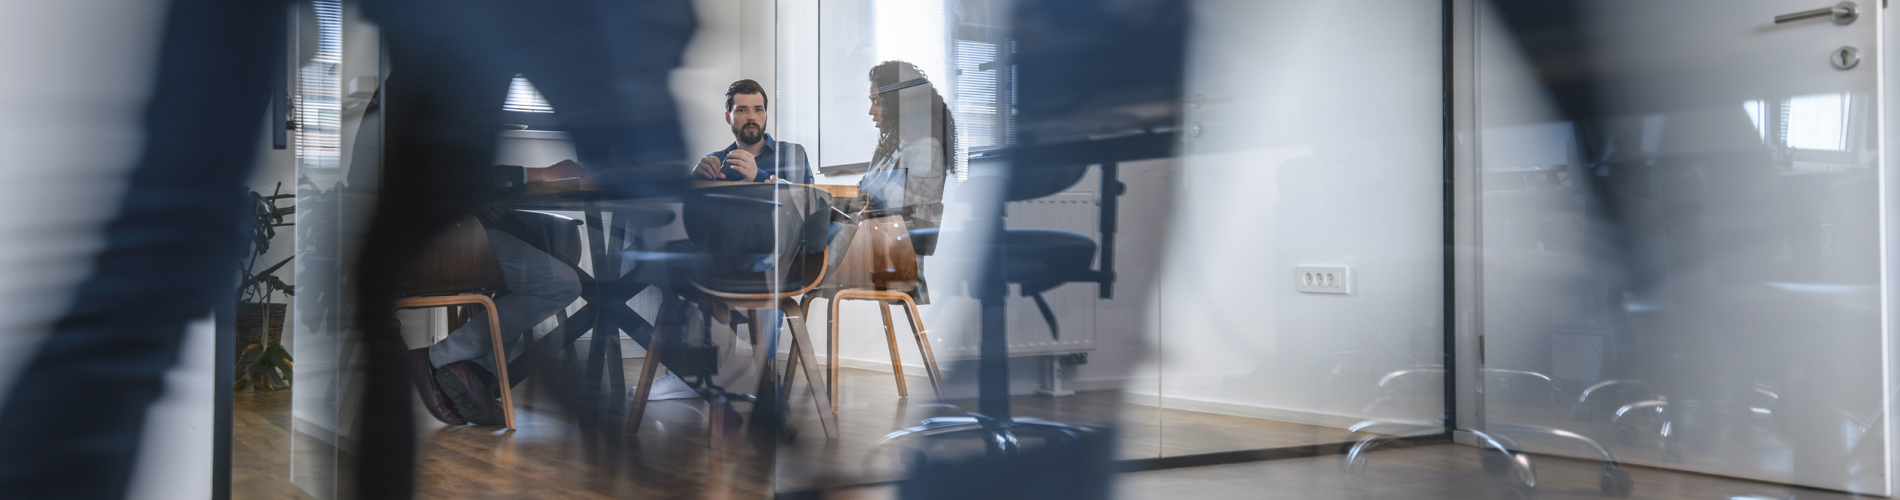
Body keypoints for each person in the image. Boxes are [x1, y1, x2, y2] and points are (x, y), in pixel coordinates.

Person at [403, 161, 588, 426]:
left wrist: (483, 199)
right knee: (562, 284)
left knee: (521, 281)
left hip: (432, 238)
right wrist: (542, 173)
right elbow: (462, 170)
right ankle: (438, 358)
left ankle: (478, 371)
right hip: (451, 239)